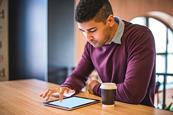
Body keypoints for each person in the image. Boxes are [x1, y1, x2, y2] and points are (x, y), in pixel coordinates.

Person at [40, 0, 156, 107]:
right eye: (83, 31)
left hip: (138, 111)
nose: (88, 38)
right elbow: (78, 76)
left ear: (109, 21)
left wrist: (95, 87)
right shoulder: (92, 45)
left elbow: (131, 93)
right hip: (108, 109)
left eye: (92, 30)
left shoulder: (140, 36)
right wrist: (66, 87)